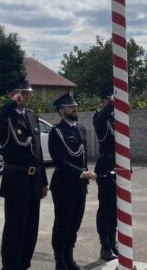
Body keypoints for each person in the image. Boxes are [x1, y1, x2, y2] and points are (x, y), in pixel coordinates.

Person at [0, 79, 49, 270]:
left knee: (31, 229)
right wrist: (11, 104)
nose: (26, 96)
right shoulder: (5, 116)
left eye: (28, 93)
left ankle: (24, 265)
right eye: (22, 93)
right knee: (15, 229)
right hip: (16, 182)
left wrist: (44, 181)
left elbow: (37, 152)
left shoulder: (31, 115)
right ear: (11, 94)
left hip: (34, 181)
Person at [49, 92, 96, 270]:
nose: (75, 109)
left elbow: (82, 157)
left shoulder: (81, 128)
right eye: (70, 107)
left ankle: (69, 258)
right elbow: (60, 160)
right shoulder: (56, 131)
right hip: (64, 185)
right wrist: (81, 173)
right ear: (61, 111)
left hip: (80, 186)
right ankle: (60, 260)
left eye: (75, 106)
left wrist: (85, 177)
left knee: (75, 223)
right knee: (62, 223)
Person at [93, 87, 119, 260]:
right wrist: (111, 105)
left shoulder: (119, 119)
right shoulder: (99, 117)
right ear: (103, 101)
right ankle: (105, 245)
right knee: (105, 207)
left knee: (116, 208)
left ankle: (113, 241)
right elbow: (102, 120)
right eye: (108, 101)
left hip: (118, 165)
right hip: (105, 165)